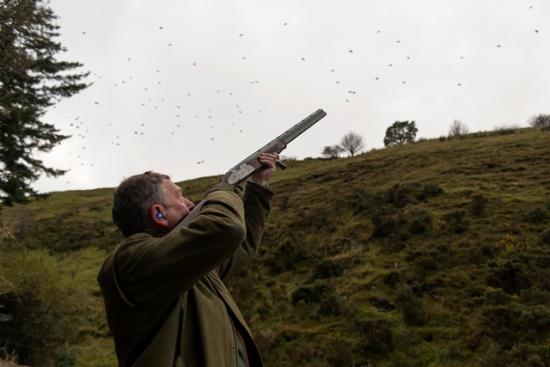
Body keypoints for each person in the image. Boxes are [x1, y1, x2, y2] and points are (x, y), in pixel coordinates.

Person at [97, 152, 279, 367]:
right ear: (159, 214)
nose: (191, 204)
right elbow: (226, 229)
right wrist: (227, 187)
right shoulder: (133, 261)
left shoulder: (180, 262)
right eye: (179, 197)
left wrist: (257, 185)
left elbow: (240, 246)